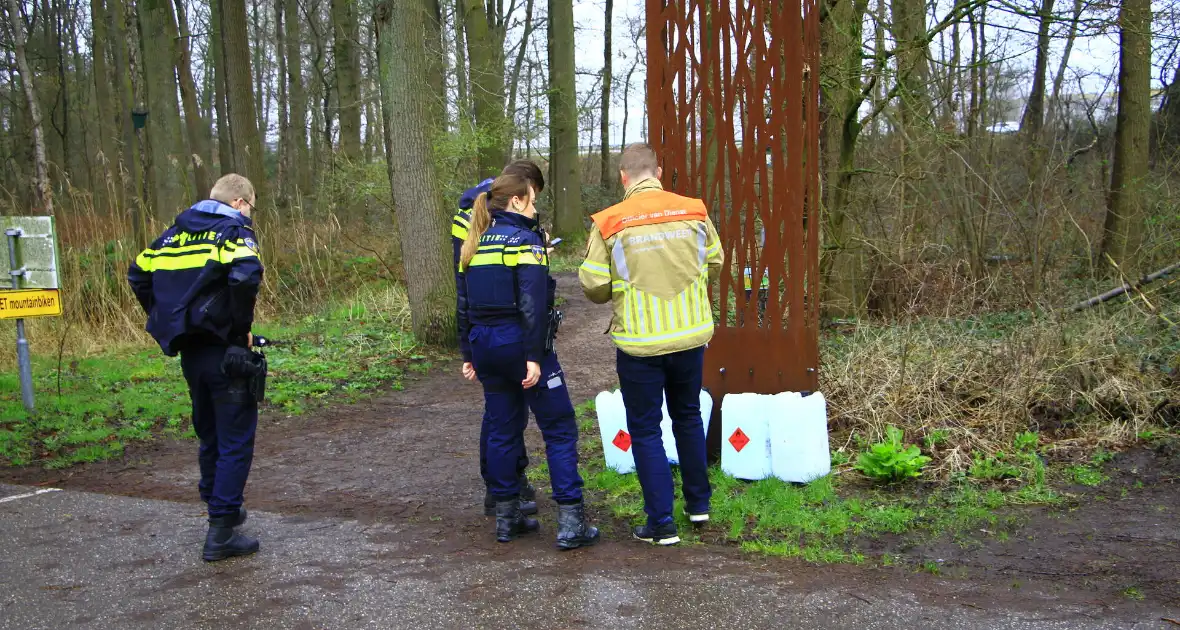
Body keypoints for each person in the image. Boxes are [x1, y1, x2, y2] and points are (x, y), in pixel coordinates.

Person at [578, 143, 724, 546]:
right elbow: (716, 260)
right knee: (688, 417)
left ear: (623, 177)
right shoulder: (694, 210)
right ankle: (699, 505)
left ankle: (661, 524)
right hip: (690, 336)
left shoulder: (610, 222)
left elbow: (592, 284)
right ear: (659, 171)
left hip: (640, 344)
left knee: (645, 430)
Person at [457, 171, 599, 550]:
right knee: (559, 427)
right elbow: (532, 306)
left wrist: (469, 354)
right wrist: (534, 357)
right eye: (532, 200)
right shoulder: (526, 243)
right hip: (521, 346)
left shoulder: (473, 244)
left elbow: (464, 305)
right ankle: (571, 520)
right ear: (516, 201)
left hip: (485, 347)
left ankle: (508, 518)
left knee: (503, 429)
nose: (535, 207)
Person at [127, 173, 265, 562]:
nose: (250, 213)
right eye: (251, 206)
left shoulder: (171, 235)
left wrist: (168, 319)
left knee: (210, 433)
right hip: (225, 349)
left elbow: (137, 274)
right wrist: (240, 331)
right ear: (240, 202)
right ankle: (221, 531)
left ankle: (221, 508)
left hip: (190, 351)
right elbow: (246, 276)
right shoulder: (232, 232)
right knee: (235, 436)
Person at [451, 161, 546, 518]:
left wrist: (468, 346)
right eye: (534, 198)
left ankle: (503, 498)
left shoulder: (477, 215)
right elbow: (527, 297)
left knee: (500, 416)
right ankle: (505, 487)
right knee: (509, 416)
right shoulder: (506, 225)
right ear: (520, 195)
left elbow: (464, 290)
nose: (535, 206)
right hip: (505, 329)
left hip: (481, 331)